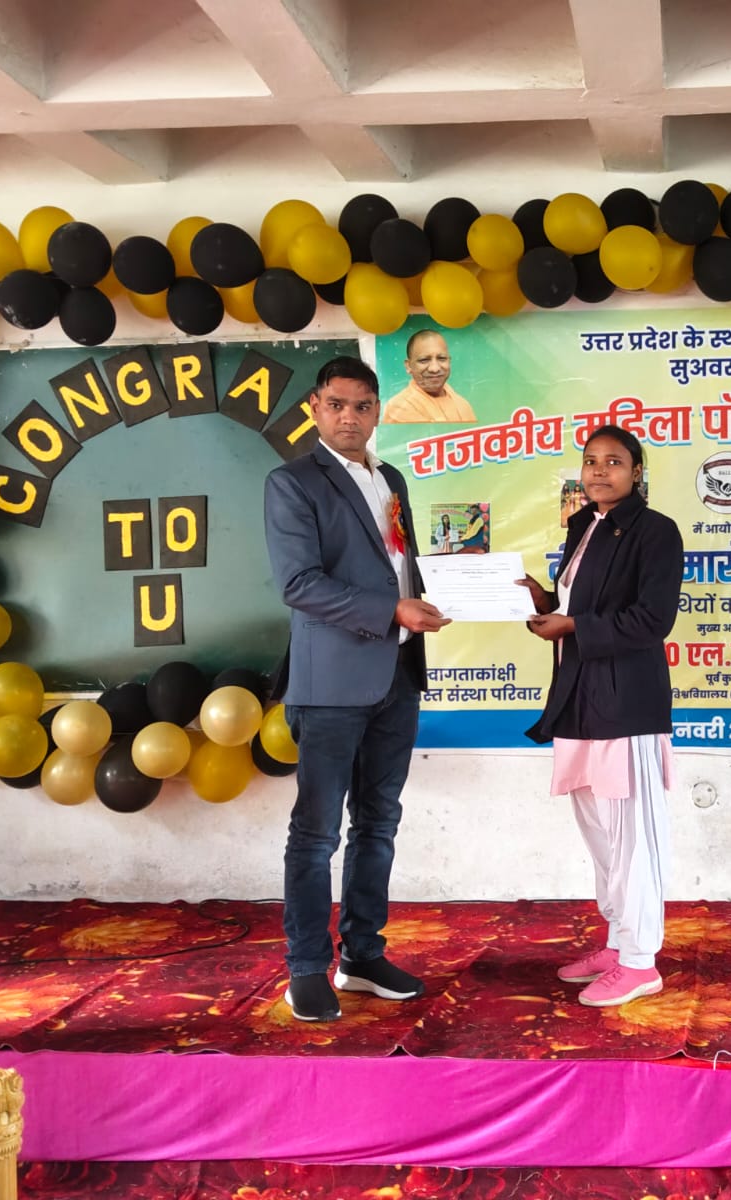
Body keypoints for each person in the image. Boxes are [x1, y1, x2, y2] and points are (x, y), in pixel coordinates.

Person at [263, 356, 451, 1023]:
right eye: (337, 405)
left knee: (378, 822)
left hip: (397, 674)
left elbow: (400, 565)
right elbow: (299, 584)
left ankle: (362, 955)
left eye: (363, 406)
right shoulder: (291, 483)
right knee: (316, 834)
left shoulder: (390, 477)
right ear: (315, 408)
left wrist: (454, 593)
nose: (350, 417)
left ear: (377, 412)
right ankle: (306, 968)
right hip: (331, 683)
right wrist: (391, 611)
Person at [516, 426, 683, 1008]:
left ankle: (640, 963)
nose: (599, 471)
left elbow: (652, 620)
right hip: (578, 695)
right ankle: (618, 942)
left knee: (634, 837)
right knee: (600, 835)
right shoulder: (583, 525)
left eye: (614, 462)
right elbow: (578, 607)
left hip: (626, 703)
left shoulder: (656, 531)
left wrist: (573, 626)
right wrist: (544, 602)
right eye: (591, 461)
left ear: (637, 472)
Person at [383, 330, 476, 423]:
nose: (434, 369)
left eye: (442, 358)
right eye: (424, 360)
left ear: (449, 361)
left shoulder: (463, 405)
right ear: (409, 366)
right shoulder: (399, 407)